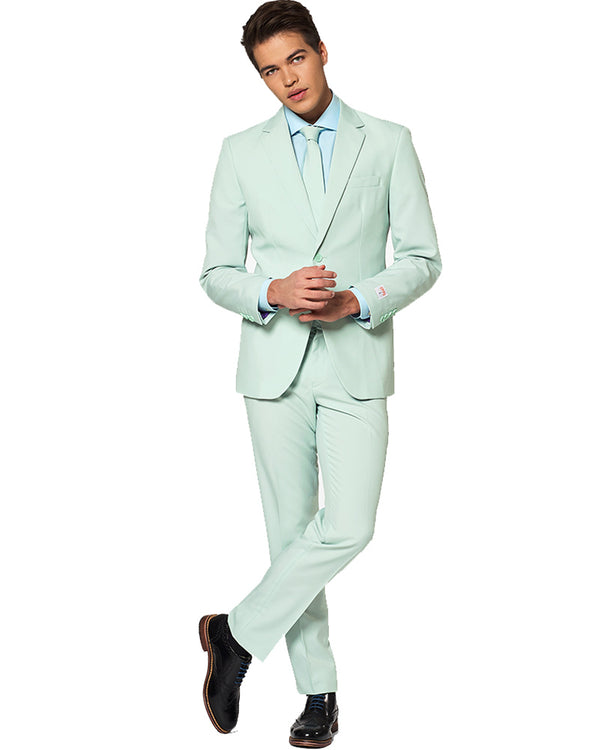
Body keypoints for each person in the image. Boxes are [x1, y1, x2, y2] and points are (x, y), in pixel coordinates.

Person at [198, 1, 442, 745]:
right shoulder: (240, 152)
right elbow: (215, 273)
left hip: (355, 360)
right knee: (290, 534)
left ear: (322, 51)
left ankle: (235, 632)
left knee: (350, 525)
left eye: (295, 59)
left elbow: (422, 258)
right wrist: (272, 290)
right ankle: (318, 694)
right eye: (270, 70)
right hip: (272, 367)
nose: (287, 79)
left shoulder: (388, 142)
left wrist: (357, 299)